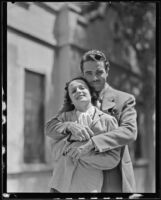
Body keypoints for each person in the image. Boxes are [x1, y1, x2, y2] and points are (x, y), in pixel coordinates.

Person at [46, 49, 137, 192]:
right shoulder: (75, 99)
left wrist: (92, 143)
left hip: (112, 175)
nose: (94, 78)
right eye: (89, 73)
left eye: (99, 72)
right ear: (83, 74)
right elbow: (52, 126)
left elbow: (129, 131)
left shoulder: (124, 99)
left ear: (107, 70)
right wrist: (69, 126)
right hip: (73, 179)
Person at [48, 77, 121, 192]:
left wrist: (83, 153)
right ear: (71, 100)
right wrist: (69, 126)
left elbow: (113, 159)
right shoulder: (64, 117)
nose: (78, 91)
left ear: (91, 93)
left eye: (82, 88)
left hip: (87, 187)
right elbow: (51, 138)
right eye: (73, 91)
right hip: (59, 186)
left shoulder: (108, 121)